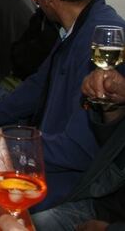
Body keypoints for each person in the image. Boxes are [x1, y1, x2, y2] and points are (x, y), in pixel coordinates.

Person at [0, 0, 125, 212]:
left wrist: (4, 146)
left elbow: (81, 148)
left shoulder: (103, 41)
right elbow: (35, 87)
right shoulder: (77, 29)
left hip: (75, 189)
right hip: (48, 165)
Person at [31, 69, 125, 230]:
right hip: (105, 204)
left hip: (105, 211)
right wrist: (114, 108)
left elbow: (78, 150)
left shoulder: (84, 47)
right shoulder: (67, 44)